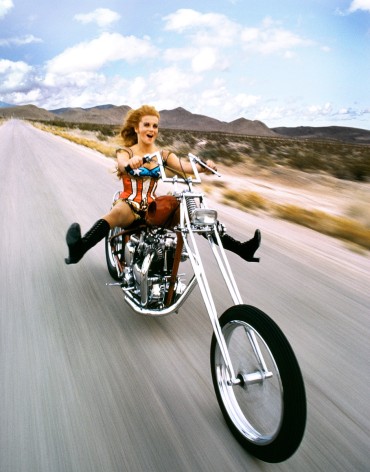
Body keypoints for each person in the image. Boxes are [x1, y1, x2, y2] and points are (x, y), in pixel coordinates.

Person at [65, 105, 261, 265]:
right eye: (147, 125)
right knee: (115, 214)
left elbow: (185, 167)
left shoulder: (164, 155)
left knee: (194, 216)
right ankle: (79, 248)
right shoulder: (126, 151)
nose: (151, 130)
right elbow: (122, 165)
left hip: (153, 206)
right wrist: (130, 164)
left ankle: (241, 249)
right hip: (130, 205)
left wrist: (203, 168)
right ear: (136, 128)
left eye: (155, 126)